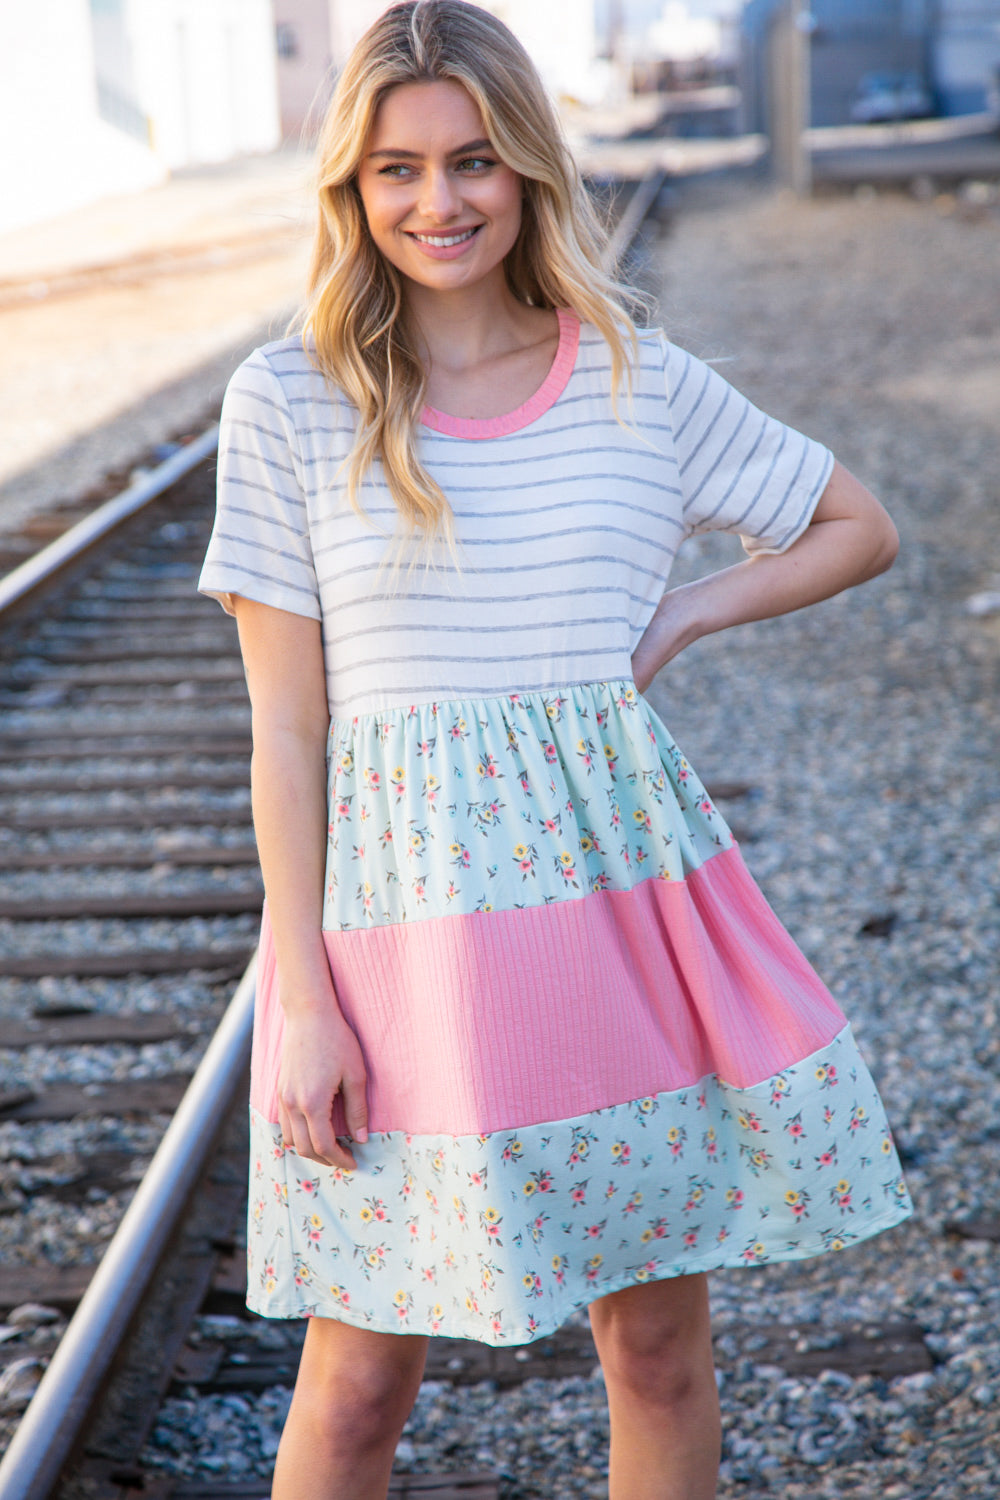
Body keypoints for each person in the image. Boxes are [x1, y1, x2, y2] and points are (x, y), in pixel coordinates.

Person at [198, 3, 913, 1495]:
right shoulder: (289, 399)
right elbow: (287, 723)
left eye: (473, 162)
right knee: (355, 1387)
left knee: (655, 1355)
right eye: (395, 169)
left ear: (527, 168)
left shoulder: (628, 379)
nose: (437, 202)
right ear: (352, 186)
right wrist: (302, 999)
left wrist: (674, 624)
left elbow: (860, 526)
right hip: (398, 951)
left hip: (618, 929)